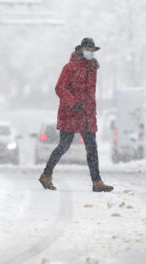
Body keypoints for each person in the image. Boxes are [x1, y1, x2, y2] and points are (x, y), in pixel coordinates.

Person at [38, 37, 113, 192]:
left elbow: (90, 94)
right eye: (87, 50)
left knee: (92, 148)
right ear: (80, 50)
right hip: (70, 113)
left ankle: (97, 182)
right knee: (64, 146)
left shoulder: (92, 69)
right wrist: (74, 102)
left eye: (92, 51)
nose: (89, 53)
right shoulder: (70, 67)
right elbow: (59, 88)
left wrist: (92, 111)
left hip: (87, 115)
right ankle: (46, 174)